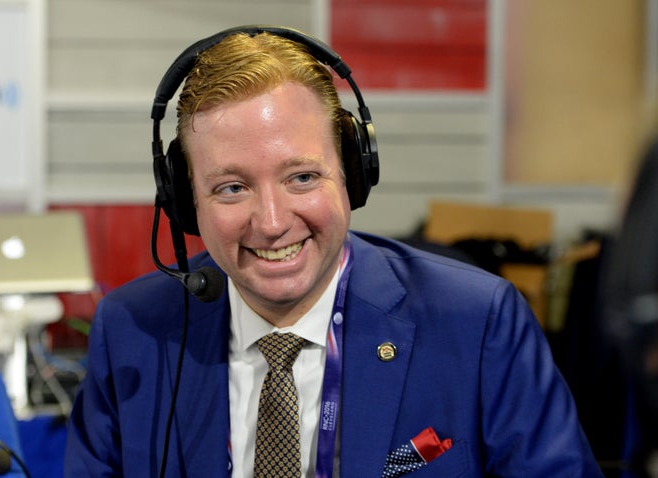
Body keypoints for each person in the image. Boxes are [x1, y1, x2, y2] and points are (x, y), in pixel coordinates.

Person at [64, 26, 603, 477]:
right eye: (232, 187)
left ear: (353, 174)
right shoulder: (134, 331)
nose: (272, 224)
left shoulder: (478, 322)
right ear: (186, 203)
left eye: (301, 177)